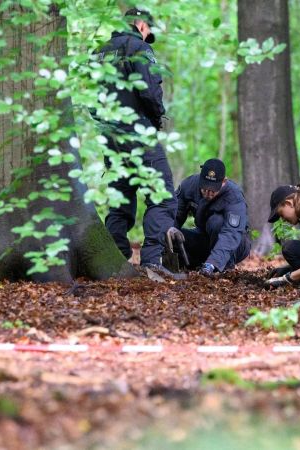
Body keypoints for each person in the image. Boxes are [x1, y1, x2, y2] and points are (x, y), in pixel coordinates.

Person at [94, 8, 181, 279]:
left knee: (120, 197)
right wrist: (155, 118)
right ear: (140, 24)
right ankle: (152, 261)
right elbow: (151, 90)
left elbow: (89, 99)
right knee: (162, 195)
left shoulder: (98, 53)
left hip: (111, 138)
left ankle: (114, 260)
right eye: (148, 31)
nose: (147, 36)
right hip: (139, 134)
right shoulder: (138, 48)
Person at [167, 159, 251, 277]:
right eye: (205, 188)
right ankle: (193, 267)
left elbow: (231, 234)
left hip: (236, 243)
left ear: (224, 181)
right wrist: (171, 228)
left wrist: (213, 262)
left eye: (213, 190)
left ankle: (222, 269)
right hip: (204, 237)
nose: (207, 193)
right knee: (173, 234)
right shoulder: (189, 185)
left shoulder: (234, 196)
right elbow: (174, 213)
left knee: (216, 222)